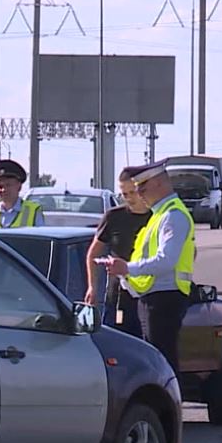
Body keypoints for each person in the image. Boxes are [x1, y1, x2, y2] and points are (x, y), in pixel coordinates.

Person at [101, 159, 196, 373]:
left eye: (142, 188)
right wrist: (127, 278)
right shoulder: (159, 215)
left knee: (163, 362)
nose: (139, 193)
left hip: (165, 298)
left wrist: (127, 269)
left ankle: (169, 404)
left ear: (159, 184)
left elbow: (166, 260)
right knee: (156, 361)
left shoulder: (173, 215)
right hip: (152, 297)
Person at [84, 170, 150, 337]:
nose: (129, 198)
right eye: (124, 194)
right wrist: (92, 287)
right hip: (119, 296)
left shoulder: (158, 217)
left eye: (132, 192)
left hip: (151, 296)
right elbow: (93, 255)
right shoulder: (114, 217)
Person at [0, 159, 45, 228]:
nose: (3, 189)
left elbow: (41, 237)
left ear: (19, 187)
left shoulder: (33, 211)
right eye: (0, 186)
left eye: (8, 185)